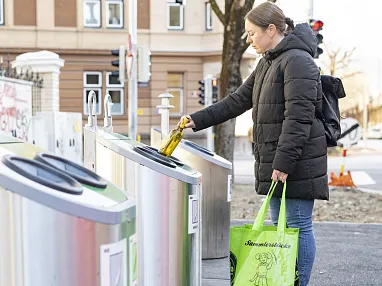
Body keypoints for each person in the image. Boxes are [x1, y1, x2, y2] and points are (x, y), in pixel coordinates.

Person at [177, 2, 328, 285]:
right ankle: (285, 279)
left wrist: (283, 163)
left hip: (295, 163)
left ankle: (299, 281)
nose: (249, 40)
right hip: (278, 161)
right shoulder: (268, 63)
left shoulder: (298, 61)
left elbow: (299, 118)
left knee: (297, 226)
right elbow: (236, 101)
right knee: (280, 228)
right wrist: (196, 120)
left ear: (271, 30)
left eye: (252, 33)